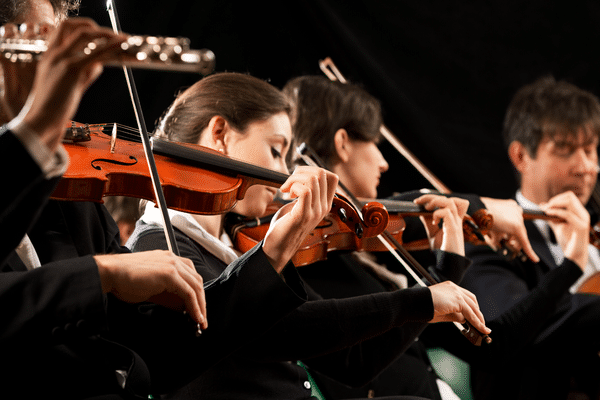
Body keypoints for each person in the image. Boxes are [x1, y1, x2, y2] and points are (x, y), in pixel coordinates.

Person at [0, 1, 322, 398]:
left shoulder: (73, 192)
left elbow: (161, 356)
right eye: (38, 40)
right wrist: (101, 275)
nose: (55, 64)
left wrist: (270, 254)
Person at [127, 71, 491, 400]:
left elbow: (354, 361)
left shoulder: (236, 247)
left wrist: (443, 278)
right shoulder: (157, 249)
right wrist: (419, 301)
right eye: (275, 149)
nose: (284, 172)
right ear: (219, 134)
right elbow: (287, 332)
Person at [282, 74, 591, 400]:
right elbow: (360, 364)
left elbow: (494, 344)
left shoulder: (361, 259)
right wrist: (478, 209)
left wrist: (450, 263)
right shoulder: (311, 259)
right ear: (343, 144)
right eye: (374, 142)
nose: (384, 162)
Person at [460, 75, 600, 399]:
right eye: (565, 149)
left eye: (591, 150)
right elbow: (511, 331)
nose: (586, 167)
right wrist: (573, 266)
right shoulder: (487, 239)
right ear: (521, 156)